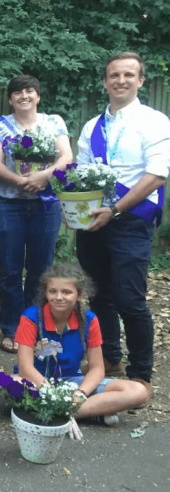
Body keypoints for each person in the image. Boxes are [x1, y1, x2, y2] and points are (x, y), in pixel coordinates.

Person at [75, 52, 170, 397]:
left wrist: (114, 209)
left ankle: (140, 373)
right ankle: (110, 358)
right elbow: (81, 172)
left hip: (130, 218)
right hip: (94, 218)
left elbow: (157, 175)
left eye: (129, 75)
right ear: (105, 82)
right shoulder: (92, 126)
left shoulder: (154, 121)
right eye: (114, 75)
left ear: (141, 80)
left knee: (130, 299)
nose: (121, 80)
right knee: (99, 295)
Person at [0, 75, 73, 353]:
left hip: (45, 206)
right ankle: (12, 328)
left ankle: (34, 327)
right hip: (8, 204)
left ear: (38, 96)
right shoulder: (0, 126)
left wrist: (43, 176)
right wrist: (21, 181)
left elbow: (66, 157)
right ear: (10, 99)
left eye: (29, 91)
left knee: (41, 269)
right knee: (10, 270)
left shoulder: (54, 122)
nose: (24, 96)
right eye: (18, 92)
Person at [15, 264, 150, 424]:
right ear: (46, 293)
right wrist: (51, 393)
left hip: (72, 383)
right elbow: (25, 368)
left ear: (79, 295)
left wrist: (81, 393)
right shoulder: (30, 317)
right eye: (52, 291)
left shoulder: (89, 320)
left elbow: (97, 368)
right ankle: (88, 412)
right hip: (35, 383)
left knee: (138, 391)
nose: (58, 297)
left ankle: (60, 413)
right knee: (8, 384)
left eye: (66, 292)